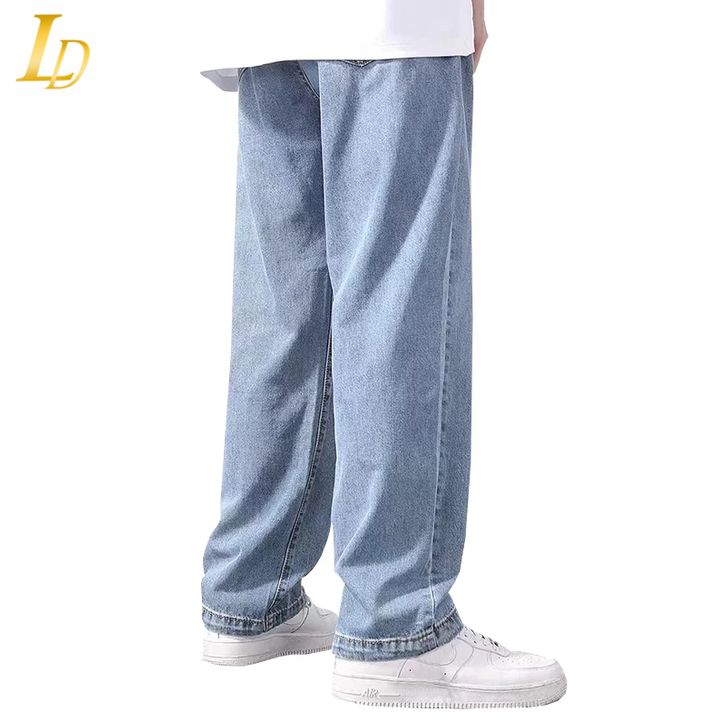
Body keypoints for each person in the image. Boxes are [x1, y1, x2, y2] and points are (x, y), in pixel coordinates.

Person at [198, 0, 566, 708]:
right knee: (396, 305)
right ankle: (398, 626)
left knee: (283, 311)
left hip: (263, 26)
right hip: (388, 20)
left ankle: (251, 590)